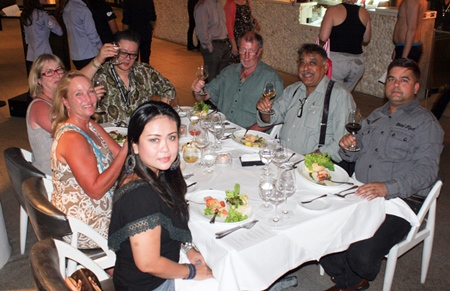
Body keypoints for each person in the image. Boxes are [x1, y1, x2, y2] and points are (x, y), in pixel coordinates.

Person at [319, 58, 444, 291]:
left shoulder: (426, 124)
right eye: (391, 79)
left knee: (361, 257)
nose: (396, 85)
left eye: (404, 80)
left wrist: (388, 187)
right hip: (359, 191)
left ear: (416, 87)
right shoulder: (376, 115)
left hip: (399, 200)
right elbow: (354, 156)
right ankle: (353, 282)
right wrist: (348, 148)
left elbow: (427, 172)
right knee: (314, 229)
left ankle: (353, 275)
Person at [108, 101, 214, 290]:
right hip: (149, 285)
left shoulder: (157, 171)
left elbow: (167, 221)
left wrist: (187, 247)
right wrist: (192, 271)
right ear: (135, 145)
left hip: (159, 271)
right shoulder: (140, 195)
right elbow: (148, 263)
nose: (165, 148)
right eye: (154, 140)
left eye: (171, 137)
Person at [50, 71, 128, 249]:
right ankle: (128, 268)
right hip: (85, 224)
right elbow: (95, 190)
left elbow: (119, 154)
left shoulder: (89, 123)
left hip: (102, 204)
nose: (88, 98)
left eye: (90, 91)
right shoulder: (72, 138)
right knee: (146, 216)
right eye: (78, 94)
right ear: (65, 102)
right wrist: (126, 151)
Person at [256, 43, 355, 163]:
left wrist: (307, 160)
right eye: (302, 63)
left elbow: (341, 142)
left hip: (315, 166)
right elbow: (271, 118)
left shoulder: (340, 96)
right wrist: (264, 110)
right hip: (282, 159)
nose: (306, 68)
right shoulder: (293, 90)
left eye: (312, 63)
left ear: (325, 67)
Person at [192, 31, 283, 130]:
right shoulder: (229, 72)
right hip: (222, 129)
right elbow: (204, 96)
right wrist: (198, 91)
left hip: (249, 136)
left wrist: (246, 134)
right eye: (243, 50)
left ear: (259, 52)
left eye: (251, 51)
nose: (246, 56)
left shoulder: (270, 78)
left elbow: (274, 117)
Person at [84, 30, 176, 126]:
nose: (128, 58)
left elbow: (168, 88)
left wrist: (162, 106)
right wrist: (98, 60)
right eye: (123, 53)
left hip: (141, 129)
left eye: (132, 54)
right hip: (110, 132)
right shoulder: (100, 73)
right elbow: (72, 84)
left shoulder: (144, 71)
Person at [26, 54, 66, 176]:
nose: (57, 75)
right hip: (53, 173)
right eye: (49, 72)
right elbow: (66, 132)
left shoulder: (59, 99)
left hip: (65, 162)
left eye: (59, 69)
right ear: (39, 80)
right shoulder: (39, 106)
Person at [319, 0, 371, 91]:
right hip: (357, 62)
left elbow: (323, 37)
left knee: (333, 96)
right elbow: (366, 39)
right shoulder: (364, 12)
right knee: (345, 96)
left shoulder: (333, 10)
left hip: (337, 62)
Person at [57, 0, 103, 70]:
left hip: (75, 55)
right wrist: (101, 48)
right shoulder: (82, 9)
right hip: (89, 53)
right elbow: (92, 34)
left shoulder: (66, 9)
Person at [20, 0, 63, 74]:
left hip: (31, 54)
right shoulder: (42, 15)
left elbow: (26, 39)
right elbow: (59, 32)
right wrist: (53, 19)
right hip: (44, 53)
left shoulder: (25, 15)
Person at [194, 0, 231, 82]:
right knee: (211, 79)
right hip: (213, 46)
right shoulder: (203, 6)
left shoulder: (218, 3)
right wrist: (210, 48)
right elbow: (201, 32)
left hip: (224, 44)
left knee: (222, 78)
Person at [122, 0, 156, 64]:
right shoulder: (148, 1)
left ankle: (133, 73)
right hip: (146, 33)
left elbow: (126, 21)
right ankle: (144, 73)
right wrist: (151, 29)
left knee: (132, 60)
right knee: (145, 60)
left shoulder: (128, 1)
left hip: (133, 35)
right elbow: (152, 18)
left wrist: (124, 37)